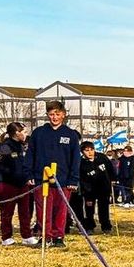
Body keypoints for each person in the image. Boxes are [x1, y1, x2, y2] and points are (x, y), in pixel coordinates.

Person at [26, 100, 82, 248]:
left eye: (57, 114)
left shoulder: (70, 135)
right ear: (47, 115)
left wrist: (73, 179)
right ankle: (45, 236)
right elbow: (30, 155)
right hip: (41, 179)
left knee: (61, 209)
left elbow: (76, 159)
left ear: (63, 115)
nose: (54, 117)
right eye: (51, 114)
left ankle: (58, 236)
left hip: (63, 180)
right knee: (43, 209)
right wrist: (29, 174)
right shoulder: (39, 133)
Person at [0, 122, 35, 245]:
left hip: (23, 184)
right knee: (7, 212)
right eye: (24, 132)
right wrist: (11, 173)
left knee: (25, 211)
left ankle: (26, 236)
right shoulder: (5, 146)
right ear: (17, 133)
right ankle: (6, 237)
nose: (26, 134)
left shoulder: (24, 146)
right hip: (8, 184)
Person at [78, 142, 116, 233]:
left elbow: (111, 169)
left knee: (104, 208)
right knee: (89, 210)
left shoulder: (102, 157)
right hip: (89, 190)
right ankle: (89, 226)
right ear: (82, 152)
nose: (90, 152)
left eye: (92, 150)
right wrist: (84, 188)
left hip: (104, 188)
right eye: (87, 150)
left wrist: (113, 179)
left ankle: (106, 226)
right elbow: (81, 177)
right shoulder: (81, 162)